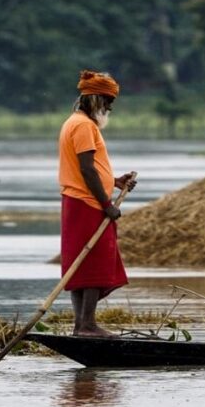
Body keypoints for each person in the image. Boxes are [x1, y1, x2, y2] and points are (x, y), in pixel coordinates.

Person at [59, 70, 136, 338]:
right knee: (91, 262)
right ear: (95, 100)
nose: (110, 107)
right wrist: (106, 204)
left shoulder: (77, 123)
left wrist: (114, 181)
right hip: (88, 204)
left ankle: (81, 326)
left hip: (81, 201)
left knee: (82, 264)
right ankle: (87, 326)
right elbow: (87, 170)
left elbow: (93, 170)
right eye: (107, 101)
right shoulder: (82, 126)